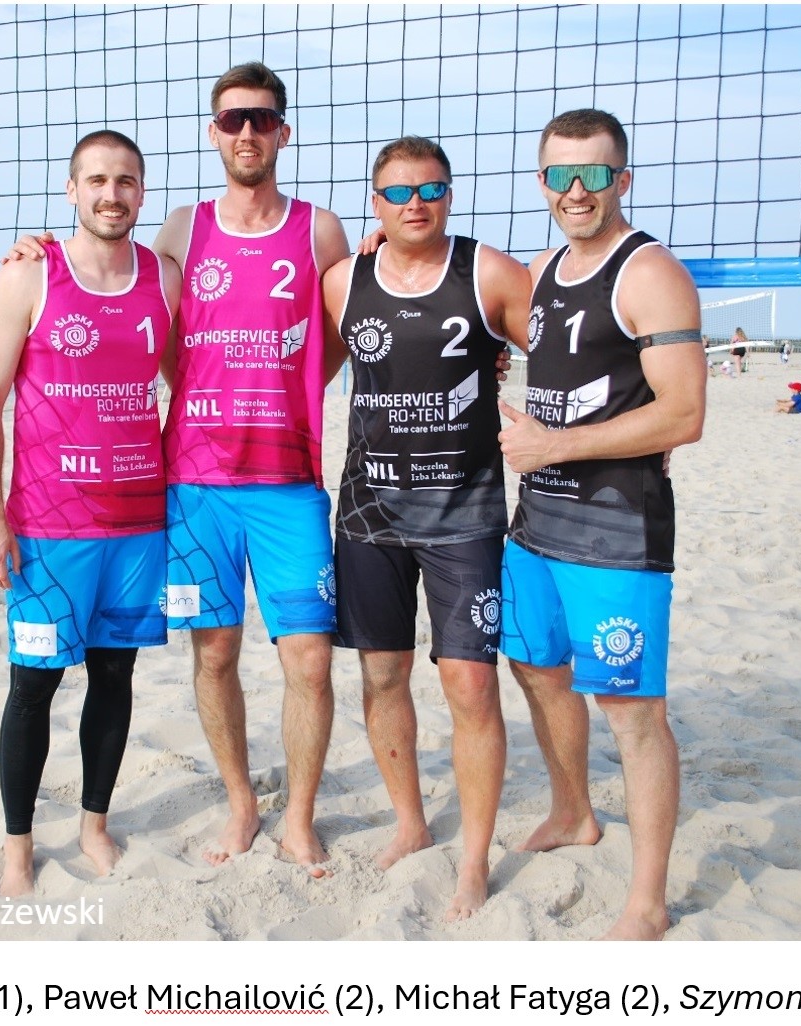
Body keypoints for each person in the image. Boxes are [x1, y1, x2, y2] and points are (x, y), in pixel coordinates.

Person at [4, 63, 351, 875]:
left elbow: (347, 329)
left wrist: (295, 386)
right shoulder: (182, 232)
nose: (246, 132)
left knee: (308, 660)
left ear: (283, 132)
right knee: (215, 655)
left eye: (260, 119)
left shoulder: (320, 229)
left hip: (287, 483)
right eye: (232, 119)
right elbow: (131, 305)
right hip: (194, 486)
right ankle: (241, 805)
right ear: (212, 131)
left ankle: (299, 820)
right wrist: (40, 247)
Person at [496, 109, 706, 940]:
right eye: (559, 175)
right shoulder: (543, 268)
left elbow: (684, 413)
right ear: (541, 182)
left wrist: (556, 443)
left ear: (623, 179)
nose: (575, 190)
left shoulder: (649, 272)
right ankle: (573, 812)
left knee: (631, 712)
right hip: (536, 523)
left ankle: (646, 903)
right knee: (537, 671)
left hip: (616, 532)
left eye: (592, 174)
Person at [0, 130, 181, 897]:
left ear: (141, 192)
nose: (110, 194)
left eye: (125, 180)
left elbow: (192, 376)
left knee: (114, 677)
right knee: (33, 686)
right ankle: (17, 847)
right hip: (49, 526)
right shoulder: (29, 273)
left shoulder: (162, 275)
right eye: (96, 180)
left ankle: (94, 825)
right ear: (71, 190)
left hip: (136, 523)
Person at [323, 136, 531, 921]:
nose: (416, 203)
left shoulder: (487, 271)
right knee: (382, 674)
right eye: (398, 192)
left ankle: (472, 860)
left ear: (449, 194)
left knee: (469, 683)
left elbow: (560, 346)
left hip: (462, 512)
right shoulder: (343, 280)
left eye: (431, 189)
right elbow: (288, 360)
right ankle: (410, 822)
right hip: (368, 512)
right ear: (374, 202)